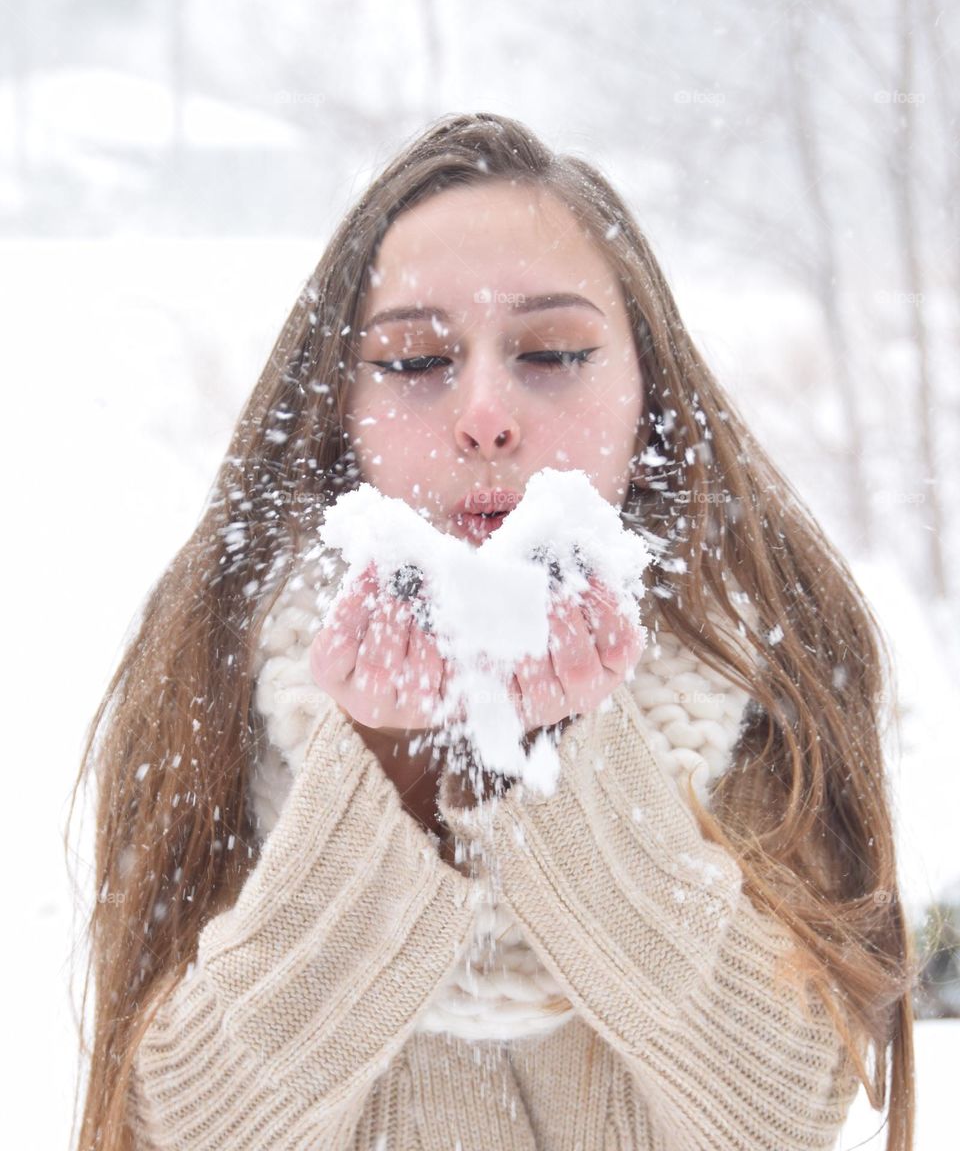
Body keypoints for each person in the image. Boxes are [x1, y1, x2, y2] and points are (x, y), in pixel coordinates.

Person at [68, 112, 916, 1150]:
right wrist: (387, 767)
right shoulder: (214, 662)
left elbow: (784, 1112)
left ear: (648, 390)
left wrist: (567, 759)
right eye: (417, 360)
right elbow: (175, 1127)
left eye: (553, 352)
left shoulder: (764, 667)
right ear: (340, 403)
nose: (483, 414)